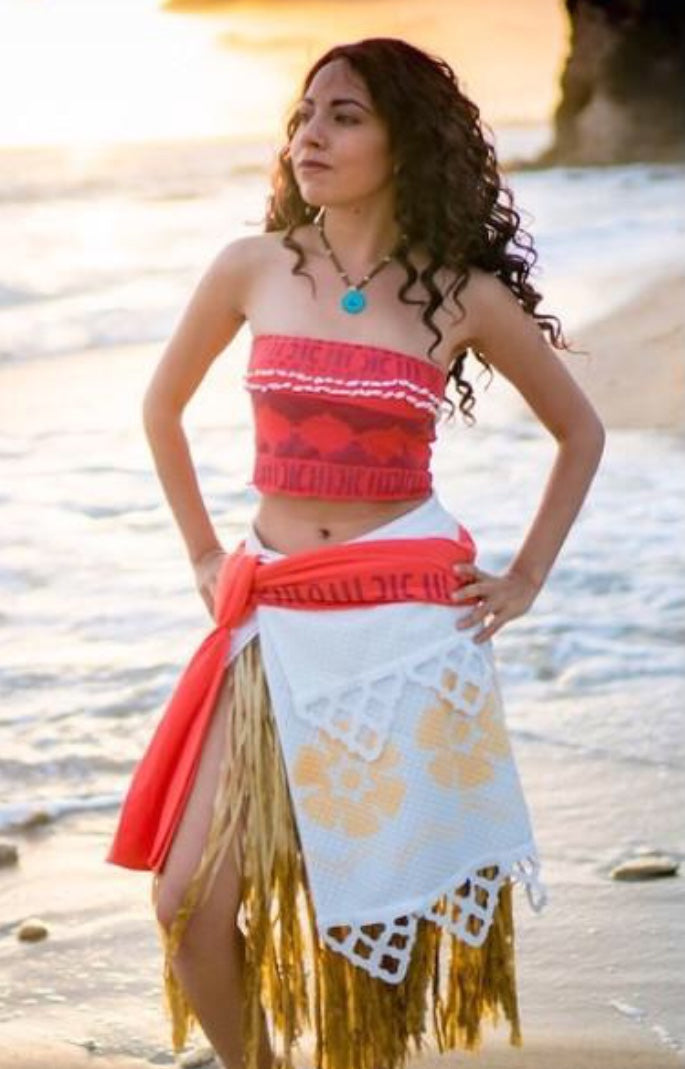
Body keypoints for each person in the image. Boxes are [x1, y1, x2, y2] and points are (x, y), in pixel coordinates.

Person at [107, 36, 605, 1069]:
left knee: (372, 911)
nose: (310, 136)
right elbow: (160, 409)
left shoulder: (461, 295)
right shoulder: (252, 266)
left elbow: (579, 432)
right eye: (304, 115)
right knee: (186, 896)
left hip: (404, 620)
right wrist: (203, 554)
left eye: (343, 116)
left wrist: (524, 578)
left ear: (404, 141)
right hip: (275, 610)